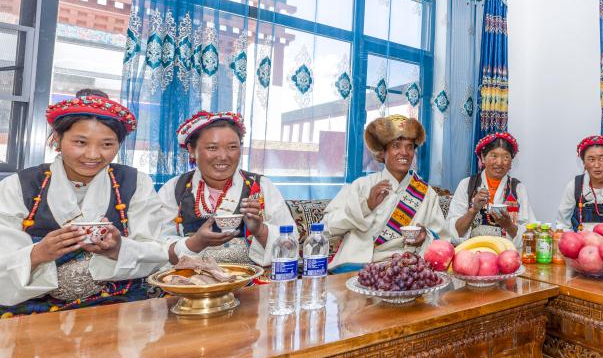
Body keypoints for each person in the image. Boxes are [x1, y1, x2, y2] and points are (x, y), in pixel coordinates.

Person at [0, 90, 166, 316]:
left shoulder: (136, 182)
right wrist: (39, 253)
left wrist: (118, 249)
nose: (93, 155)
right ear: (57, 138)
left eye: (107, 144)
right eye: (80, 142)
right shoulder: (19, 185)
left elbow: (156, 251)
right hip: (36, 311)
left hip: (117, 306)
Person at [157, 111, 294, 267]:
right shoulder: (175, 188)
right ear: (192, 150)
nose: (223, 156)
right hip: (191, 280)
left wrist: (260, 230)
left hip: (249, 279)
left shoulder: (261, 186)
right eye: (212, 148)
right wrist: (195, 243)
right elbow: (158, 248)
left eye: (232, 147)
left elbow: (290, 245)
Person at [323, 114, 447, 271]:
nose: (404, 152)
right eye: (396, 146)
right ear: (382, 152)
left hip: (405, 270)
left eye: (409, 147)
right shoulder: (361, 186)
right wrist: (366, 206)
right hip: (357, 268)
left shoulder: (427, 194)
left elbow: (443, 240)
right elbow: (327, 227)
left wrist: (425, 237)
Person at [448, 132, 536, 245]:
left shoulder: (518, 189)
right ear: (483, 157)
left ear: (511, 162)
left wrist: (509, 225)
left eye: (506, 157)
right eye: (494, 156)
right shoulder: (467, 185)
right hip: (472, 252)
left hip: (506, 253)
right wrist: (473, 210)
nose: (499, 163)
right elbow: (453, 233)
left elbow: (530, 235)